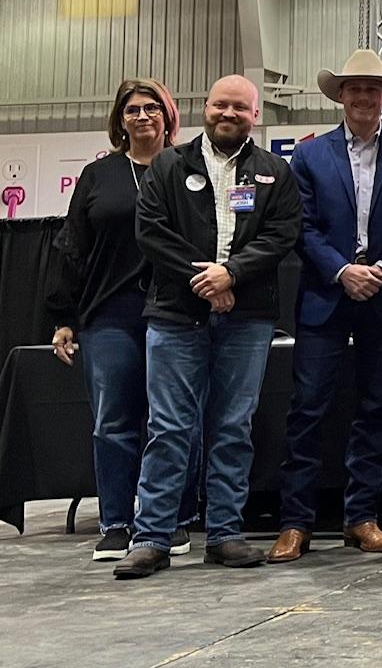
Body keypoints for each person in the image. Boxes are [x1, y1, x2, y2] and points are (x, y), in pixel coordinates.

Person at [114, 75, 302, 579]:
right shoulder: (170, 166)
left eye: (240, 108)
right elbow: (151, 231)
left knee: (233, 428)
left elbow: (283, 234)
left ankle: (224, 533)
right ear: (205, 108)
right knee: (169, 427)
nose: (229, 114)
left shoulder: (273, 172)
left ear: (255, 115)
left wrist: (233, 273)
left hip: (248, 318)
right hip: (177, 314)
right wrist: (206, 278)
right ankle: (151, 536)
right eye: (221, 105)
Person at [268, 51, 382, 564]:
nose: (362, 97)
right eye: (353, 88)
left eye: (371, 89)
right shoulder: (309, 156)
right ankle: (296, 523)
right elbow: (301, 228)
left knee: (375, 411)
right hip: (325, 298)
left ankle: (362, 518)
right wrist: (342, 271)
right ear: (340, 96)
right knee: (307, 411)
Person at [48, 78, 202, 563]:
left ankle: (174, 520)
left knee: (174, 420)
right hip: (110, 314)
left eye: (151, 108)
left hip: (177, 311)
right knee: (113, 420)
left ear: (167, 115)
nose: (142, 116)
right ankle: (116, 523)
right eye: (132, 109)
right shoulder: (99, 176)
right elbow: (73, 246)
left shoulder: (188, 170)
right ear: (120, 120)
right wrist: (63, 317)